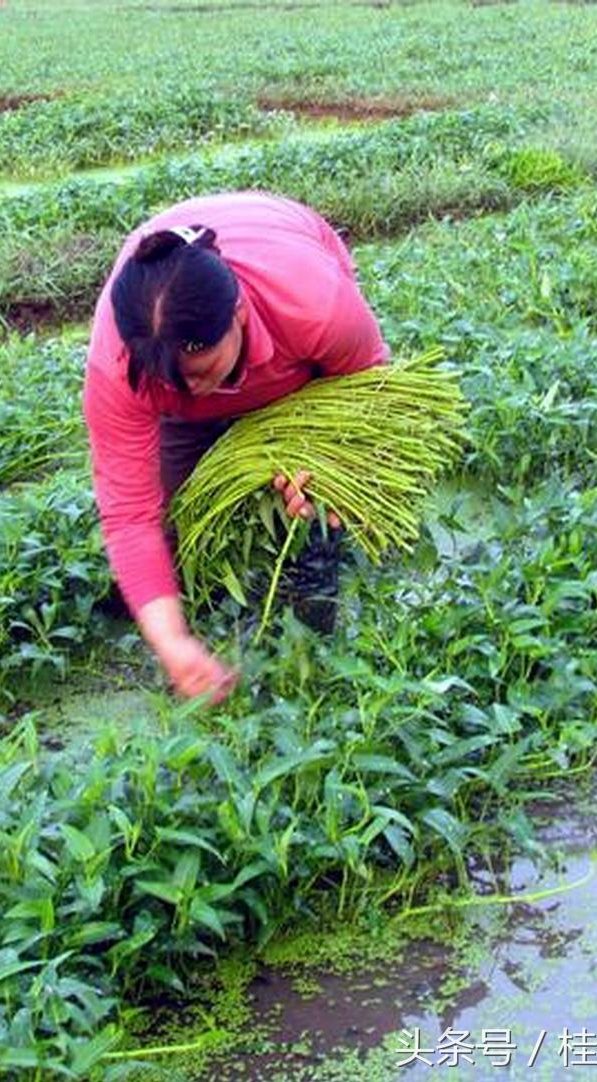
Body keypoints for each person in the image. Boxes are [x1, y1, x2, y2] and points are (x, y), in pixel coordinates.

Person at [83, 191, 389, 703]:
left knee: (309, 522)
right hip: (180, 355)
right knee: (182, 521)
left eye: (199, 373)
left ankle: (309, 664)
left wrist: (327, 462)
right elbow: (129, 517)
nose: (189, 389)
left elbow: (371, 393)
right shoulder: (121, 362)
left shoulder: (314, 303)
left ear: (240, 314)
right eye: (170, 381)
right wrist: (173, 642)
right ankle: (210, 623)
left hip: (294, 356)